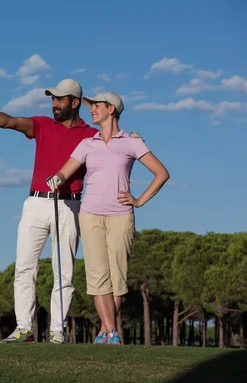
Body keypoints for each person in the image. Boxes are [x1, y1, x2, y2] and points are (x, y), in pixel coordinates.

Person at [0, 78, 99, 344]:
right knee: (24, 268)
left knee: (64, 271)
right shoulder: (43, 125)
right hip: (36, 203)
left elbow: (114, 145)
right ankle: (24, 328)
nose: (54, 104)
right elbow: (9, 121)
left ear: (75, 102)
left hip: (70, 204)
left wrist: (132, 137)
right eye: (52, 99)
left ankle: (57, 331)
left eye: (59, 99)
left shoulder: (91, 135)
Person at [46, 91, 169, 345]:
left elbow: (161, 173)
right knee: (97, 276)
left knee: (117, 278)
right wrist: (56, 180)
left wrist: (139, 200)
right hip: (90, 215)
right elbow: (66, 171)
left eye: (96, 106)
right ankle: (112, 333)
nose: (91, 110)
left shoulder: (132, 142)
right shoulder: (87, 144)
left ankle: (105, 330)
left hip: (121, 216)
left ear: (111, 109)